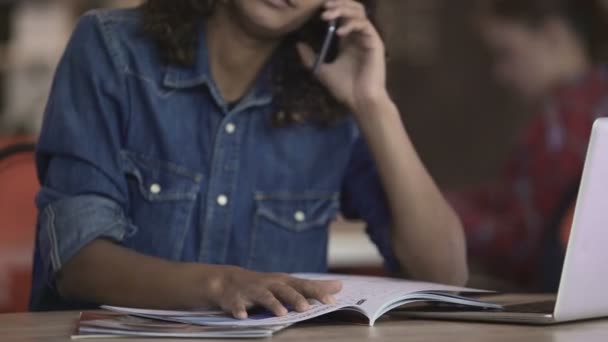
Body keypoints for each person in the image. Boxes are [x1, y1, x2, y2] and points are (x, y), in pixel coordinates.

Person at [30, 0, 467, 316]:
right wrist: (222, 285)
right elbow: (76, 262)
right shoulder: (111, 47)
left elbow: (444, 272)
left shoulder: (329, 95)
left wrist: (372, 103)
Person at [448, 0, 608, 290]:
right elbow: (519, 198)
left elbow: (525, 245)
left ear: (552, 36)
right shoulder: (595, 100)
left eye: (506, 54)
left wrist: (441, 224)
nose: (501, 73)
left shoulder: (561, 123)